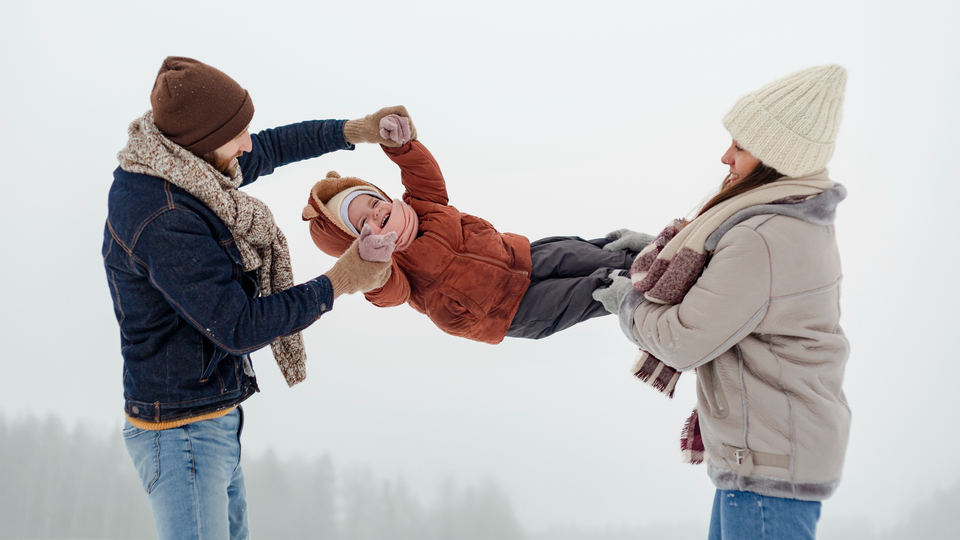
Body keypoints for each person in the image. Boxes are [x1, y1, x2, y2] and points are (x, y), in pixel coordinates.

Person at [102, 56, 403, 540]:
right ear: (200, 142)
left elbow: (271, 145)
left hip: (210, 417)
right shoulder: (165, 217)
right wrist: (342, 279)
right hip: (181, 436)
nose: (247, 144)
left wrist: (358, 129)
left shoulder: (185, 164)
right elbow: (238, 325)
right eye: (235, 135)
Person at [594, 64, 850, 539]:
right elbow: (734, 287)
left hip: (770, 468)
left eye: (741, 146)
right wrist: (655, 250)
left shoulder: (764, 237)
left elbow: (684, 340)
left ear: (776, 157)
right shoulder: (791, 219)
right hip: (775, 458)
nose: (725, 157)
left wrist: (629, 305)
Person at [302, 117, 653, 343]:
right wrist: (371, 266)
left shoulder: (423, 205)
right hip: (504, 310)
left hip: (518, 256)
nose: (375, 214)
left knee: (577, 254)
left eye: (371, 202)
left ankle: (642, 253)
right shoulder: (393, 268)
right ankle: (637, 289)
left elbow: (422, 173)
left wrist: (401, 147)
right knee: (591, 290)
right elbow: (387, 292)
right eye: (362, 222)